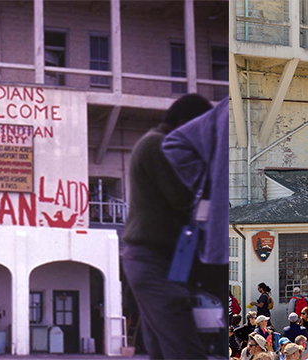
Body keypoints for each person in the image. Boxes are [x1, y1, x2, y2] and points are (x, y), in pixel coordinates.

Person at [121, 93, 214, 360]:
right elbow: (182, 197)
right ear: (184, 123)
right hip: (153, 260)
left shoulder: (156, 143)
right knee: (186, 349)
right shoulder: (158, 145)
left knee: (163, 350)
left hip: (156, 260)